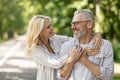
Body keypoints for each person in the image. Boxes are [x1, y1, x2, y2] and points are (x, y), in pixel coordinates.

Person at [26, 15, 102, 80]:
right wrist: (71, 55)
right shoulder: (35, 50)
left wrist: (95, 35)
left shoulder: (54, 38)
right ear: (39, 32)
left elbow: (75, 41)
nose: (52, 28)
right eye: (48, 27)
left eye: (51, 25)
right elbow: (56, 63)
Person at [57, 9, 114, 80]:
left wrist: (84, 60)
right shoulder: (67, 46)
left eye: (76, 23)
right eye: (72, 24)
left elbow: (109, 76)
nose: (72, 27)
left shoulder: (105, 45)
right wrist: (71, 60)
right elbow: (61, 77)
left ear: (89, 24)